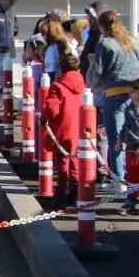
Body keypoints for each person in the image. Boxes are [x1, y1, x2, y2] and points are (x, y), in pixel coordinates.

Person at [92, 10, 139, 195]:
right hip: (136, 93)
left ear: (101, 26)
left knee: (115, 138)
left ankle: (118, 179)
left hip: (114, 93)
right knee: (134, 136)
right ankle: (132, 178)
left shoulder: (105, 44)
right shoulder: (133, 41)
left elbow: (97, 72)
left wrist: (93, 85)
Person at [42, 50, 85, 203]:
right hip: (79, 127)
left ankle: (61, 193)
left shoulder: (58, 87)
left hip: (63, 127)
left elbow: (52, 109)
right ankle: (75, 191)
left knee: (62, 162)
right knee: (75, 160)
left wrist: (44, 118)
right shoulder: (82, 85)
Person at [118, 78, 139, 215]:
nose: (130, 94)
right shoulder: (129, 109)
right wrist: (120, 140)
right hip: (130, 147)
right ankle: (131, 199)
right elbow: (125, 127)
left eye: (133, 92)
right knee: (130, 175)